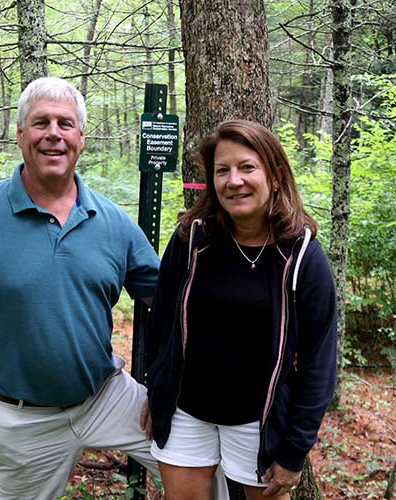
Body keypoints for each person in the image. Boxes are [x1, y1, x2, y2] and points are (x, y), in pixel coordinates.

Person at [0, 76, 163, 499]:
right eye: (41, 122)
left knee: (202, 462)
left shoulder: (113, 221)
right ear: (20, 134)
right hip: (20, 419)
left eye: (65, 124)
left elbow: (176, 304)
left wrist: (168, 389)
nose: (53, 134)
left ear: (81, 137)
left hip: (105, 396)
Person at [143, 120, 337, 500]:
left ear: (275, 175)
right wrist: (157, 391)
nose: (234, 181)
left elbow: (319, 362)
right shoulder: (191, 240)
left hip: (259, 424)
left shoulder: (302, 257)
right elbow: (161, 322)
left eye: (247, 167)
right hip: (187, 414)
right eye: (222, 170)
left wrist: (296, 449)